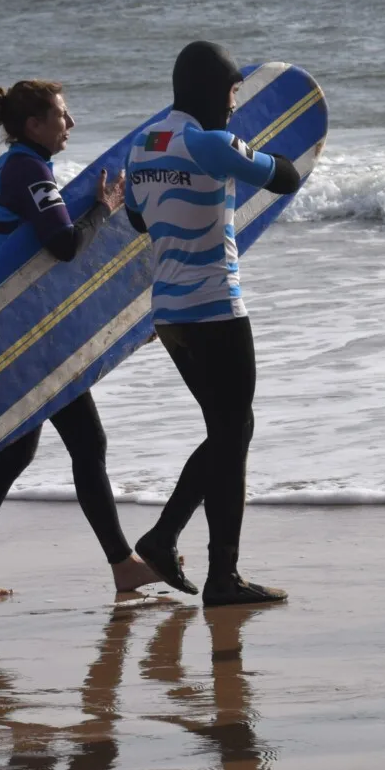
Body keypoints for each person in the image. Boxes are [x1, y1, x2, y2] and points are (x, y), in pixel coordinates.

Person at [0, 82, 160, 597]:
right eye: (62, 114)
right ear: (34, 124)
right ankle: (123, 565)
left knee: (21, 451)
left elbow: (46, 266)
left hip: (24, 329)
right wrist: (105, 207)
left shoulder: (17, 164)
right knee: (88, 443)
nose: (72, 123)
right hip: (28, 336)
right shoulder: (27, 169)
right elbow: (63, 245)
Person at [125, 41, 303, 607]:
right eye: (231, 92)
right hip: (216, 307)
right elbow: (287, 177)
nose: (233, 106)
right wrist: (244, 150)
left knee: (231, 431)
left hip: (170, 313)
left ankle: (172, 542)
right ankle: (211, 570)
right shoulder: (213, 143)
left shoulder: (142, 147)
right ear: (211, 90)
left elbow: (136, 217)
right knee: (233, 433)